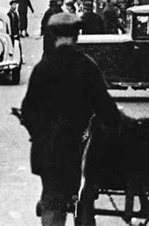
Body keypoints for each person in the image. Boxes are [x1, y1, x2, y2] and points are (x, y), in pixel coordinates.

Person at [19, 12, 123, 226]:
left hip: (49, 153)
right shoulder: (87, 66)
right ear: (76, 36)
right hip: (80, 152)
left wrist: (40, 135)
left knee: (52, 200)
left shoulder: (42, 69)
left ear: (54, 36)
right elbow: (107, 110)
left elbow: (28, 111)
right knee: (80, 200)